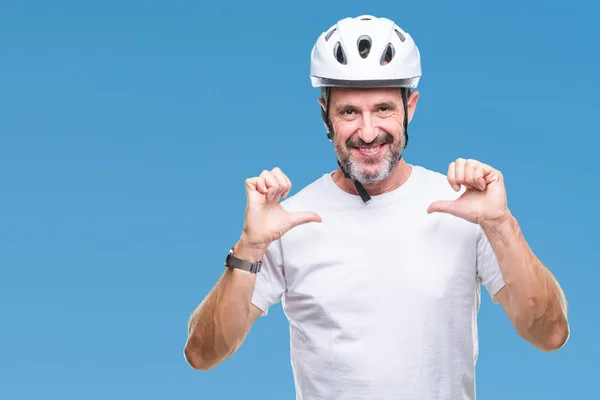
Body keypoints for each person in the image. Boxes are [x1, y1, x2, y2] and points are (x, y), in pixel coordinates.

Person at [184, 15, 570, 400]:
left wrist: (500, 223)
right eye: (349, 112)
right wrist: (249, 246)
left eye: (383, 108)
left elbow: (549, 333)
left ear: (410, 107)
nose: (368, 132)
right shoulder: (286, 222)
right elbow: (203, 354)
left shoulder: (465, 208)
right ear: (326, 114)